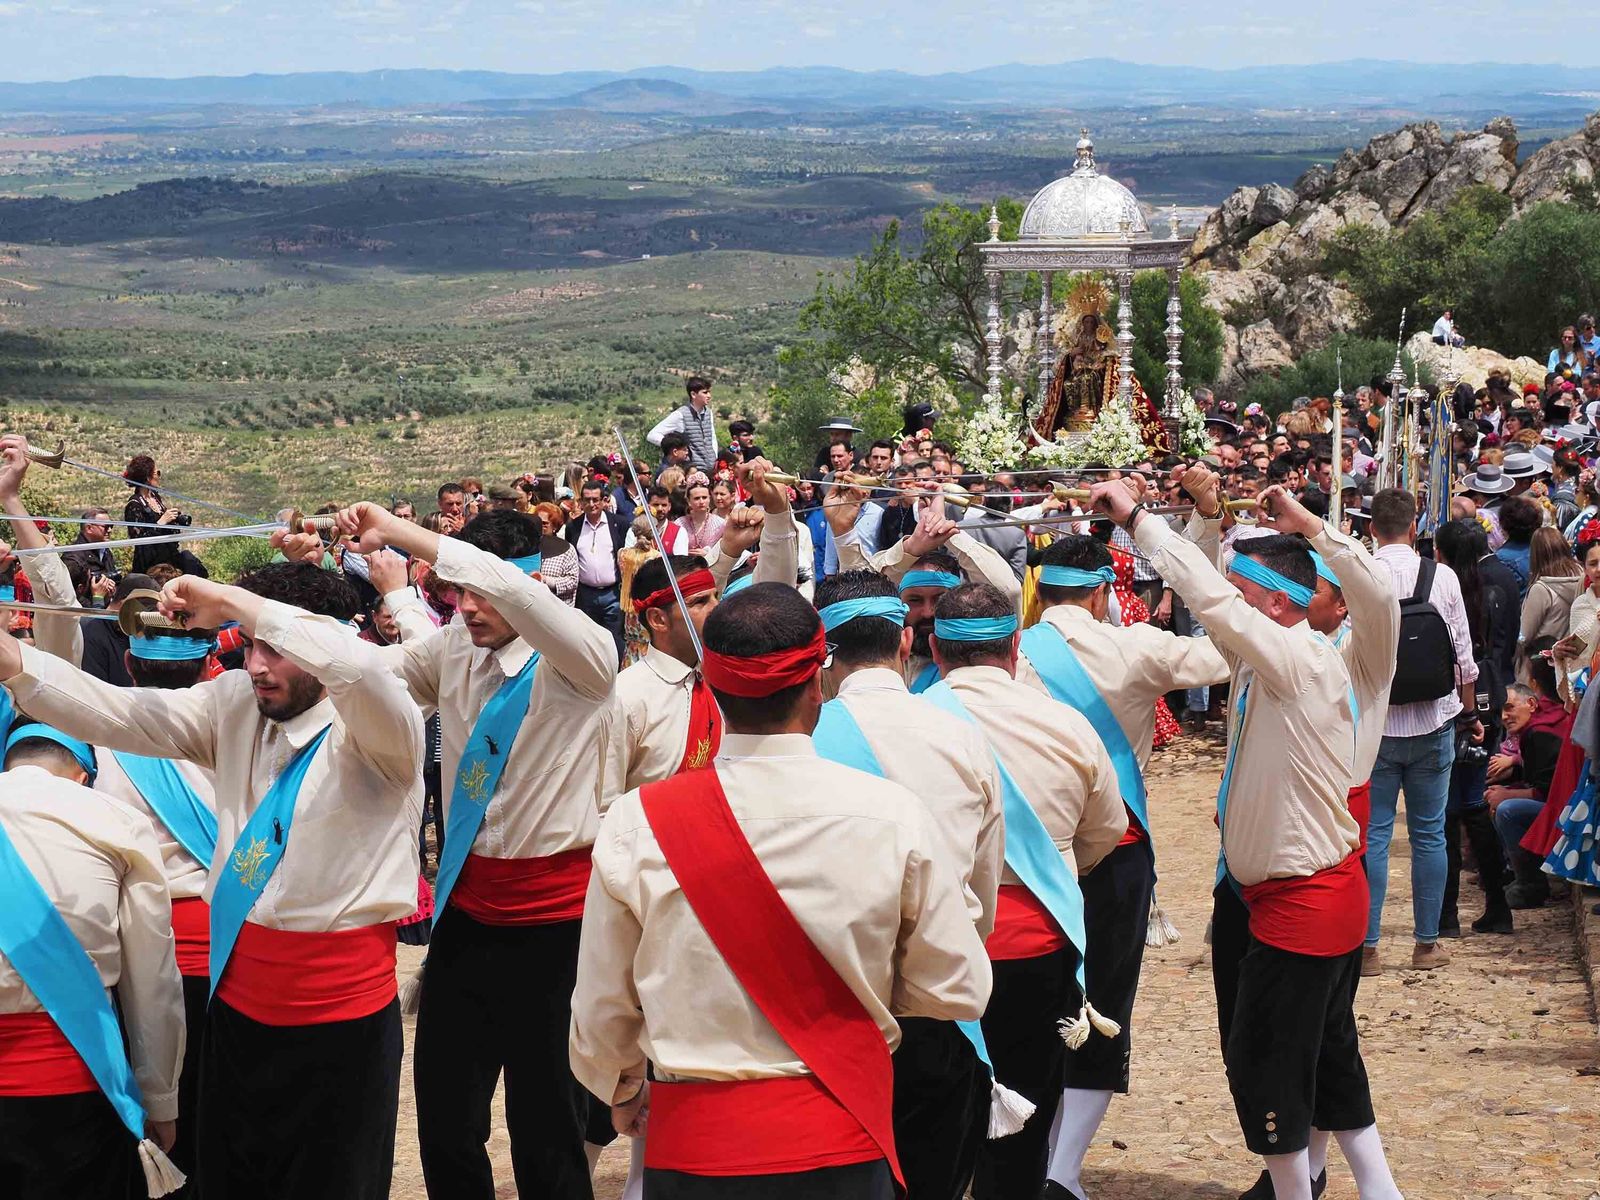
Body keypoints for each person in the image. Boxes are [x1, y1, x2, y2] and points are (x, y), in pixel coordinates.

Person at [1, 558, 423, 1199]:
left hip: (339, 1023)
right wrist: (14, 663)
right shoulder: (235, 705)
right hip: (235, 1008)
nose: (256, 665)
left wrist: (229, 599)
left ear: (327, 638)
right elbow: (119, 713)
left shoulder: (381, 726)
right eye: (249, 646)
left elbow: (358, 667)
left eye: (276, 649)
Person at [570, 582, 992, 1199]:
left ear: (710, 688)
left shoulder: (636, 825)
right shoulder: (892, 815)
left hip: (693, 1146)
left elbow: (602, 1010)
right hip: (844, 1130)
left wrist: (626, 1089)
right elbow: (957, 985)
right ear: (818, 685)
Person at [1090, 477, 1402, 1200]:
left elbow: (1224, 600)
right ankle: (1363, 1187)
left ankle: (1300, 1188)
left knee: (1266, 1060)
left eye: (1242, 594)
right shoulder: (1261, 658)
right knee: (1317, 1052)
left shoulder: (1315, 657)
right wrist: (1198, 517)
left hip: (1305, 890)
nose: (1227, 607)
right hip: (1254, 881)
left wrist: (1142, 520)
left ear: (1274, 603)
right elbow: (1212, 600)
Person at [337, 502, 617, 1200]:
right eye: (458, 593)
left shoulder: (582, 656)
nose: (468, 608)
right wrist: (271, 611)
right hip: (467, 917)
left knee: (546, 1125)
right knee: (445, 1120)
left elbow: (515, 593)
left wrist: (403, 534)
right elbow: (368, 673)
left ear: (527, 588)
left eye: (482, 592)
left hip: (558, 930)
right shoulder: (455, 647)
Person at [1014, 522, 1230, 1200]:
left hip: (1025, 851)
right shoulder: (1135, 648)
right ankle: (1063, 1169)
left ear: (1041, 592)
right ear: (1106, 590)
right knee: (1103, 1001)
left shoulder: (1006, 651)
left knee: (1027, 1002)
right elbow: (1233, 646)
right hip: (1116, 847)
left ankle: (1022, 1154)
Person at [922, 581, 1124, 1200]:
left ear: (934, 648)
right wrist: (1057, 869)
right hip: (1040, 945)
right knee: (1025, 1126)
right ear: (1014, 647)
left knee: (932, 1125)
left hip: (936, 950)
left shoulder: (908, 724)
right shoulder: (1067, 725)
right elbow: (1104, 832)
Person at [809, 570, 1006, 1200]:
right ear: (903, 642)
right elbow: (982, 886)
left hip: (829, 1011)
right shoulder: (959, 738)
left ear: (822, 651)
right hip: (934, 1008)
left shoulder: (801, 742)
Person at [0, 721, 187, 1200]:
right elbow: (152, 979)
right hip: (72, 1088)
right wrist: (160, 1099)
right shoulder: (114, 820)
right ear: (83, 775)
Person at [1364, 489, 1477, 974]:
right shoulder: (1443, 576)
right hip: (1434, 721)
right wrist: (1470, 715)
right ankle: (1426, 943)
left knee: (1373, 836)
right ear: (1414, 528)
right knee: (1430, 835)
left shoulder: (1361, 575)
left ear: (1372, 529)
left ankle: (1366, 946)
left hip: (1376, 727)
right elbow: (1464, 658)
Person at [1433, 520, 1515, 937]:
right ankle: (1496, 903)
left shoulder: (1443, 595)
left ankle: (1446, 914)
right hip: (1489, 698)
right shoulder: (1497, 590)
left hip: (1456, 702)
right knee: (1473, 803)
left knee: (1447, 812)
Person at [1489, 645, 1572, 910]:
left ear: (1533, 702)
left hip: (1565, 809)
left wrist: (1506, 795)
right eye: (1502, 710)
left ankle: (1530, 884)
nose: (1504, 716)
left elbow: (1549, 791)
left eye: (1511, 708)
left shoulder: (1540, 734)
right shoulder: (1544, 721)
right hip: (1561, 801)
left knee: (1508, 811)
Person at [567, 478, 630, 662]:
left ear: (604, 501)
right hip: (586, 594)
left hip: (613, 594)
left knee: (615, 640)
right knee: (589, 640)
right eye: (587, 500)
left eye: (596, 499)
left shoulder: (619, 524)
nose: (592, 504)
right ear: (581, 502)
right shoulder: (574, 527)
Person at [121, 454, 207, 578]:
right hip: (151, 564)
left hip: (168, 555)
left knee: (189, 561)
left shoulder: (155, 497)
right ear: (147, 477)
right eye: (157, 473)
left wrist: (174, 521)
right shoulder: (134, 505)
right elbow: (139, 541)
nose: (159, 477)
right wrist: (161, 522)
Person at [1519, 527, 1583, 656]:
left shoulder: (1541, 590)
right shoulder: (1583, 577)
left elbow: (1524, 637)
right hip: (1576, 659)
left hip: (1545, 662)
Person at [647, 376, 719, 473]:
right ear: (693, 394)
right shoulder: (680, 414)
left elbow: (712, 438)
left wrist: (715, 457)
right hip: (692, 471)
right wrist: (675, 449)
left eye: (709, 392)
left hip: (711, 470)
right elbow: (652, 435)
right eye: (705, 392)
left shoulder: (708, 413)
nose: (709, 396)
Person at [63, 508, 116, 581]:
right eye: (106, 527)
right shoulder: (74, 558)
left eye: (111, 526)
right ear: (89, 528)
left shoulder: (105, 551)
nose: (110, 530)